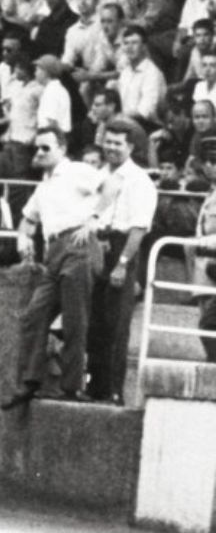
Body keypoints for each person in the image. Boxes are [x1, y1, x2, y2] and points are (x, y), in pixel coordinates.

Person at [3, 126, 106, 408]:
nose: (39, 153)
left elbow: (110, 186)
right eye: (36, 148)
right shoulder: (44, 186)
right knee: (33, 316)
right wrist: (23, 237)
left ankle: (71, 387)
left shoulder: (75, 170)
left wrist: (93, 219)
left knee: (74, 319)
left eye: (46, 147)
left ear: (61, 148)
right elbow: (28, 218)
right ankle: (29, 381)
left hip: (78, 245)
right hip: (54, 250)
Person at [86, 118, 158, 404]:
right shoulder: (98, 175)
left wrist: (122, 263)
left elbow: (139, 227)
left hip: (121, 248)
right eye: (108, 142)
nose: (111, 148)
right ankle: (94, 387)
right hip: (97, 244)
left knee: (116, 324)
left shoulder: (139, 180)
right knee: (94, 320)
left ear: (130, 147)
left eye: (118, 143)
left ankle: (113, 392)